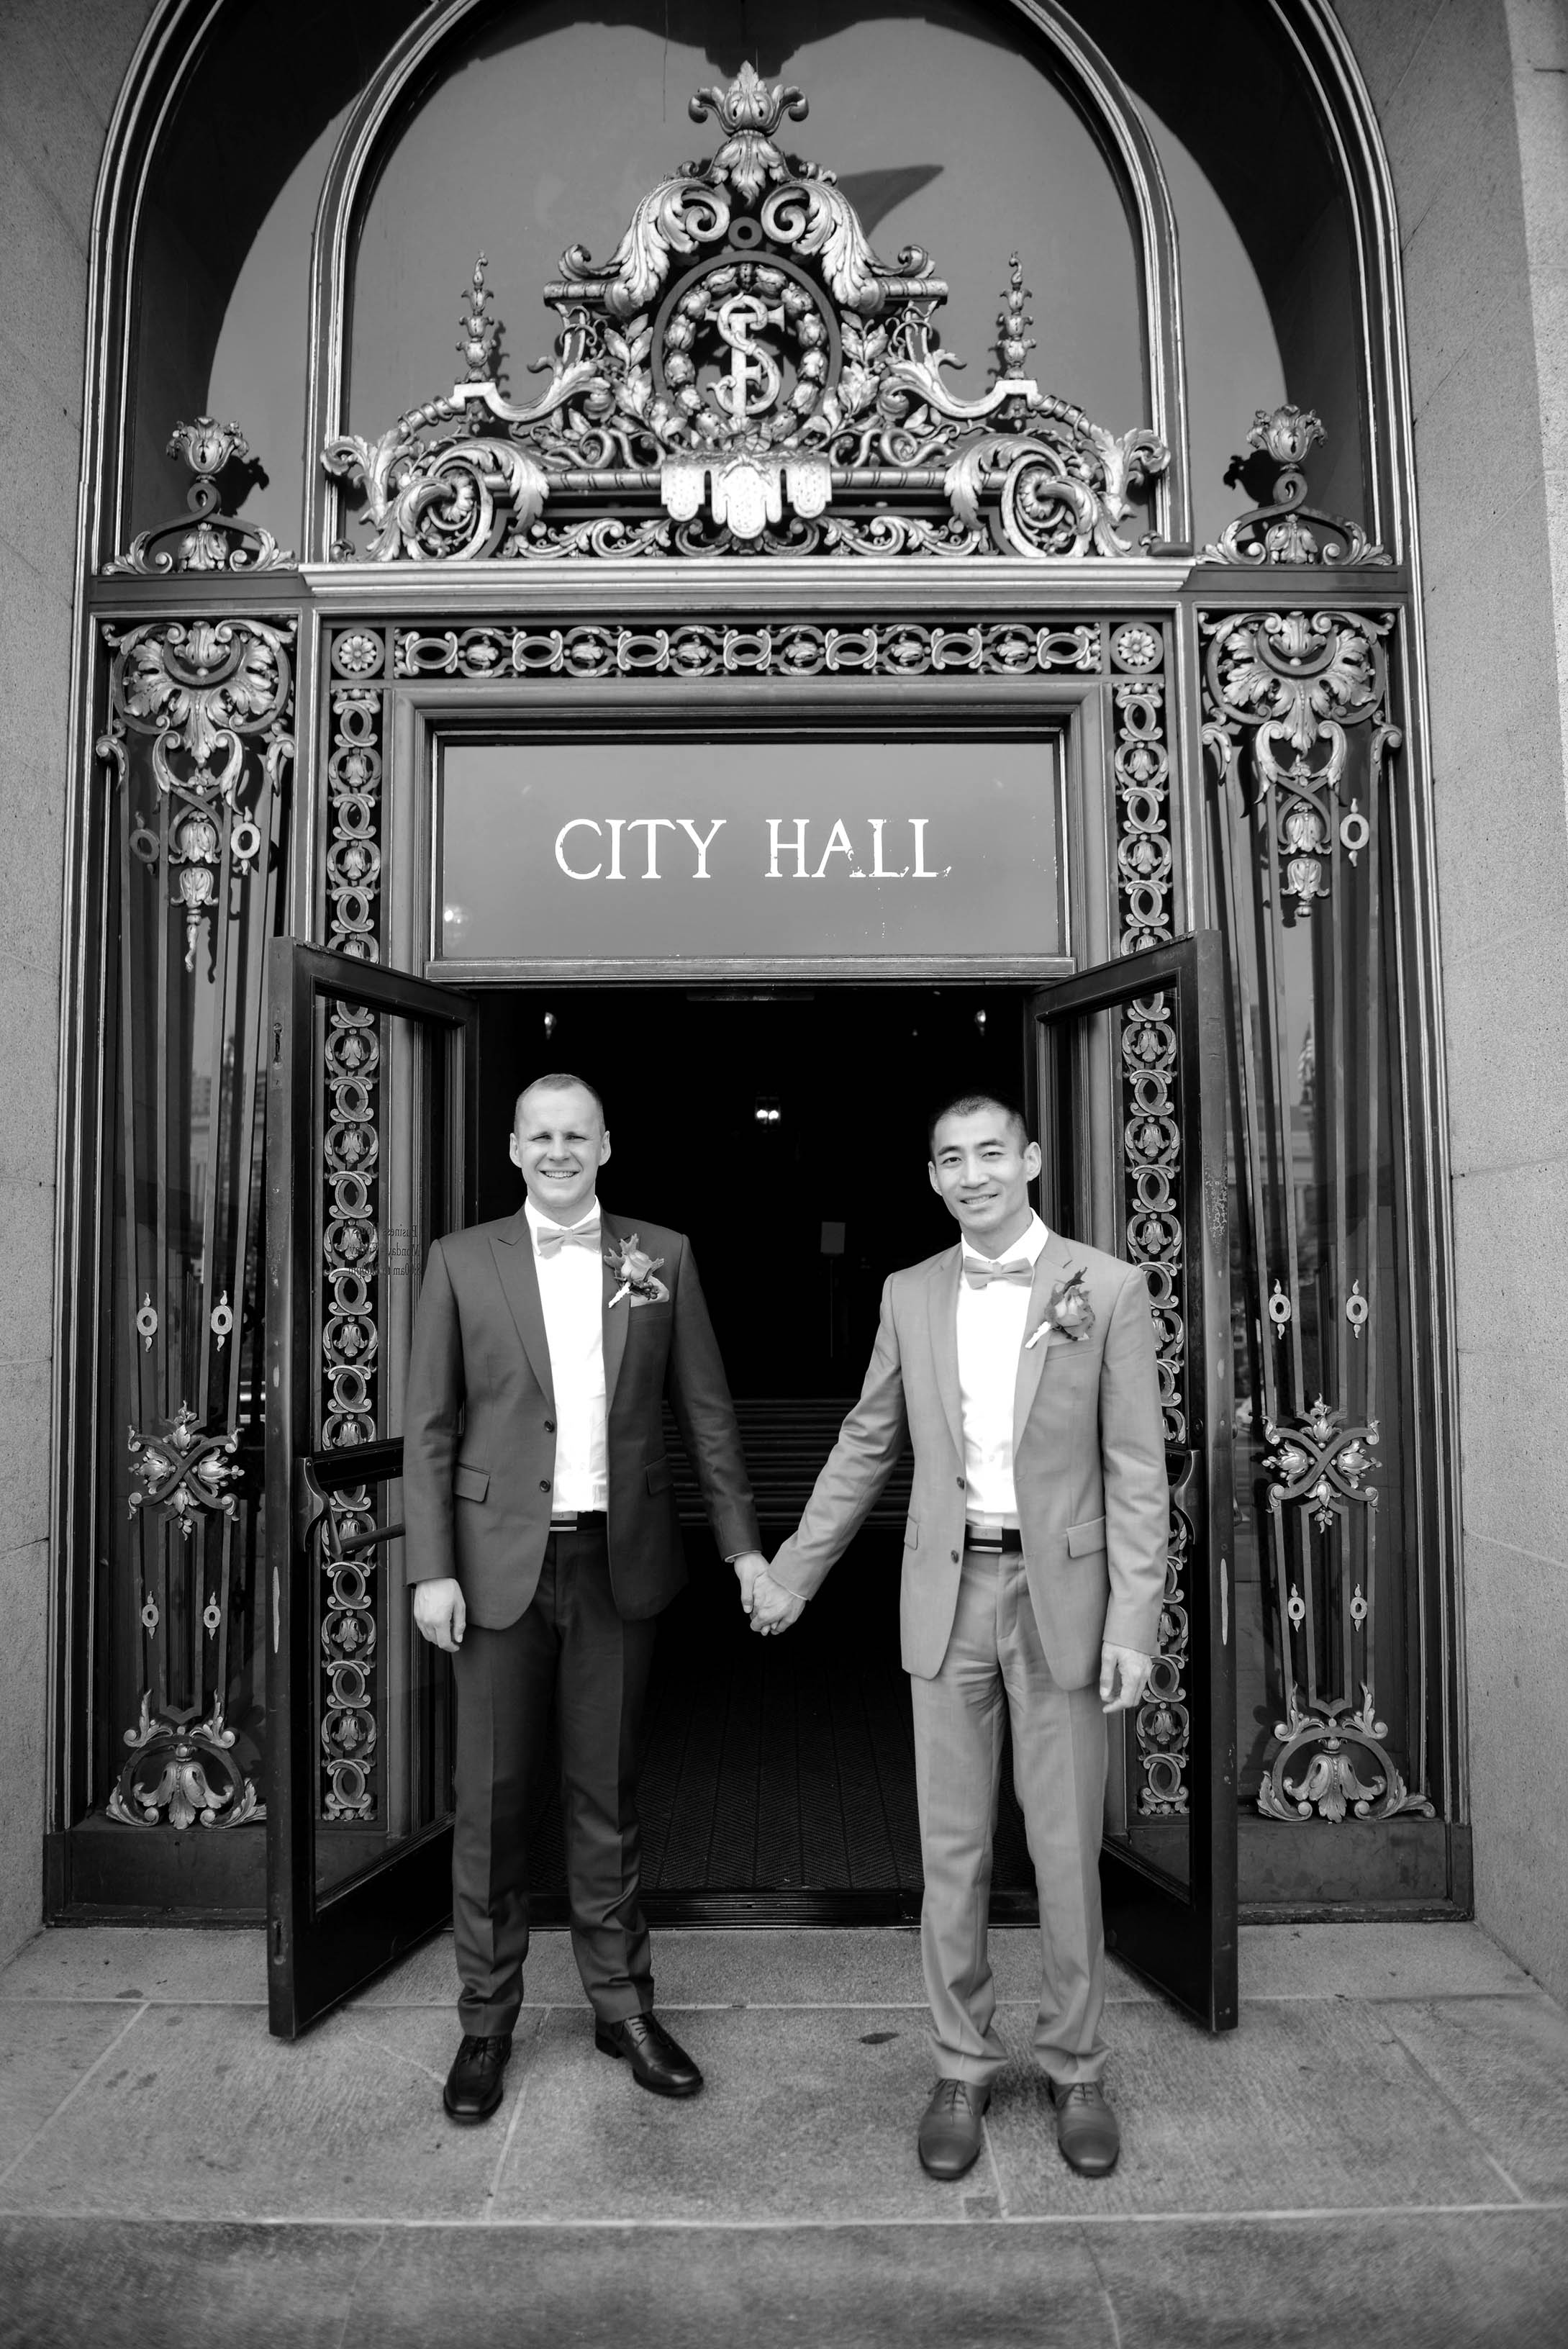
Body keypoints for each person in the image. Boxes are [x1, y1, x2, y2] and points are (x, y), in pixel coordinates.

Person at [743, 1091, 1166, 2180]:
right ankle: (962, 2064)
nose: (972, 1173)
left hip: (1061, 1595)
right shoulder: (909, 1292)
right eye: (949, 1159)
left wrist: (1134, 1621)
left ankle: (1077, 2067)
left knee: (1067, 1848)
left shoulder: (1107, 1288)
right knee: (952, 1851)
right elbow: (865, 1440)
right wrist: (794, 1571)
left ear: (1029, 1159)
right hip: (947, 1590)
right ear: (932, 1179)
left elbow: (1136, 1472)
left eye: (990, 1152)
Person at [404, 1073, 766, 2123]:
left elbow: (707, 1416)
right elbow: (429, 1426)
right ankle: (486, 2021)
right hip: (492, 1568)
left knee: (605, 1796)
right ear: (514, 1150)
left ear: (607, 1146)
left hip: (619, 1562)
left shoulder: (662, 1255)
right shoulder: (461, 1261)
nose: (559, 1151)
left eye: (578, 1135)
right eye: (541, 1136)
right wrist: (432, 1568)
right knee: (491, 1804)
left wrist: (744, 1550)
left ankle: (623, 2005)